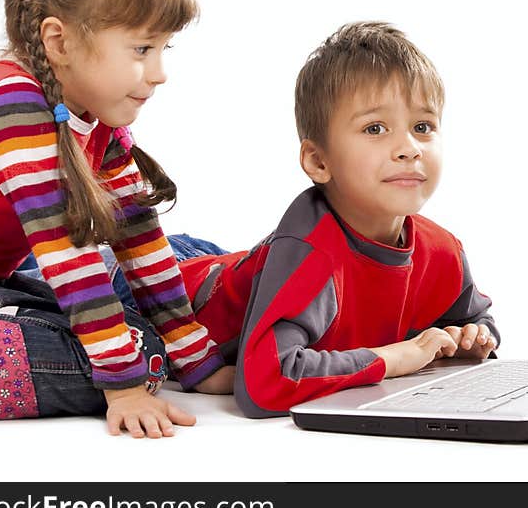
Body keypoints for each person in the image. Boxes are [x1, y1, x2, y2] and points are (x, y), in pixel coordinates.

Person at [0, 0, 233, 437]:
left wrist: (198, 362)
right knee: (131, 351)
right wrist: (124, 385)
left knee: (186, 255)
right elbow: (63, 247)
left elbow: (139, 237)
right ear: (59, 42)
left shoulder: (91, 117)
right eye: (141, 49)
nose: (159, 73)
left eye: (163, 49)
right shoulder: (7, 102)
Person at [176, 21, 500, 417]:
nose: (409, 148)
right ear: (318, 161)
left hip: (236, 264)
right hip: (162, 290)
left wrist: (472, 338)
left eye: (423, 126)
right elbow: (263, 385)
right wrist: (393, 359)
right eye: (375, 128)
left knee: (257, 269)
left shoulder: (442, 250)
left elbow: (473, 315)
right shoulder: (311, 257)